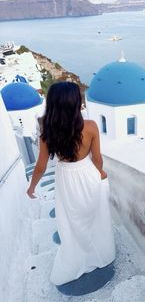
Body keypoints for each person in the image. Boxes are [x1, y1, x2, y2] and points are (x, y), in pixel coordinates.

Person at [27, 81, 115, 285]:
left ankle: (78, 255)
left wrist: (32, 186)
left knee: (72, 220)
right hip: (88, 175)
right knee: (94, 216)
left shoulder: (46, 132)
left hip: (66, 178)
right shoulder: (91, 127)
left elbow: (40, 165)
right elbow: (97, 158)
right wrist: (100, 172)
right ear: (75, 104)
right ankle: (99, 251)